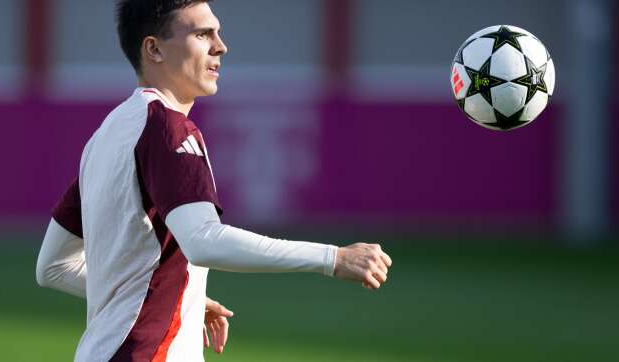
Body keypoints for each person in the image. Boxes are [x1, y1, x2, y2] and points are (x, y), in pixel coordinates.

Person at [36, 1, 393, 361]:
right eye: (202, 33)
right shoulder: (167, 128)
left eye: (217, 33)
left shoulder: (106, 135)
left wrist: (183, 293)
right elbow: (204, 240)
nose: (220, 46)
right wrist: (332, 258)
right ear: (154, 48)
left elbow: (53, 266)